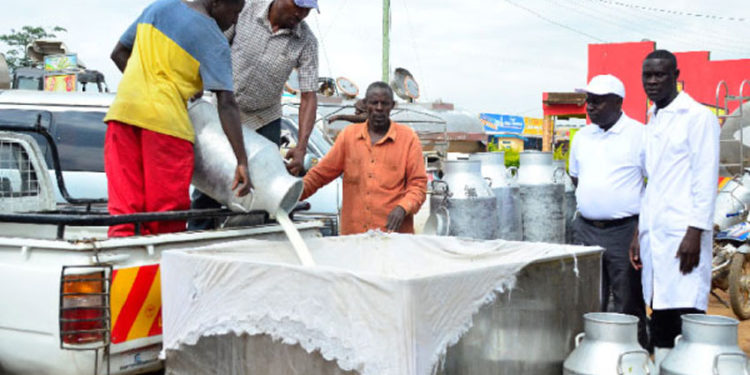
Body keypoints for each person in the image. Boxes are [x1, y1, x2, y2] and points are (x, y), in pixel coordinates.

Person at [104, 0, 250, 237]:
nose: (235, 21)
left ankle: (125, 271)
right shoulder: (213, 38)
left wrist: (152, 85)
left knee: (124, 216)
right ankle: (161, 273)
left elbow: (118, 54)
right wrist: (242, 161)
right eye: (236, 12)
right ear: (217, 3)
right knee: (165, 221)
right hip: (166, 129)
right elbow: (227, 103)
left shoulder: (158, 8)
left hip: (122, 116)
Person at [189, 0, 319, 230]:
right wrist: (196, 77)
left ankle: (251, 245)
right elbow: (214, 44)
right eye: (297, 5)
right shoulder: (245, 11)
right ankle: (198, 238)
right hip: (226, 111)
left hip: (264, 118)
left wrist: (301, 147)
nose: (301, 13)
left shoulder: (306, 42)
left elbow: (308, 96)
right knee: (211, 186)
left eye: (307, 9)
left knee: (261, 192)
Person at [630, 50, 720, 363]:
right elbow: (652, 183)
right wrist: (639, 232)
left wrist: (695, 231)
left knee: (686, 315)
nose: (652, 81)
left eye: (660, 75)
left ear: (676, 75)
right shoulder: (654, 118)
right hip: (656, 234)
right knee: (661, 314)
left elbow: (705, 179)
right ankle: (665, 369)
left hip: (684, 235)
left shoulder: (697, 117)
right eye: (647, 75)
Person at [569, 74, 649, 348]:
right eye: (588, 101)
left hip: (624, 232)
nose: (590, 107)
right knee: (589, 297)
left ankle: (634, 354)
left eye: (598, 101)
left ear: (617, 102)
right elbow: (576, 178)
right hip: (586, 229)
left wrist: (640, 230)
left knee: (627, 298)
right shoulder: (582, 137)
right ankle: (594, 354)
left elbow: (655, 184)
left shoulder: (639, 134)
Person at [301, 82, 428, 234]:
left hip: (394, 239)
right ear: (366, 104)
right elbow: (320, 175)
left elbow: (418, 186)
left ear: (392, 105)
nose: (379, 108)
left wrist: (403, 207)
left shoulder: (408, 139)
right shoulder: (348, 136)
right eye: (374, 103)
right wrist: (291, 196)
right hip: (354, 238)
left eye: (384, 103)